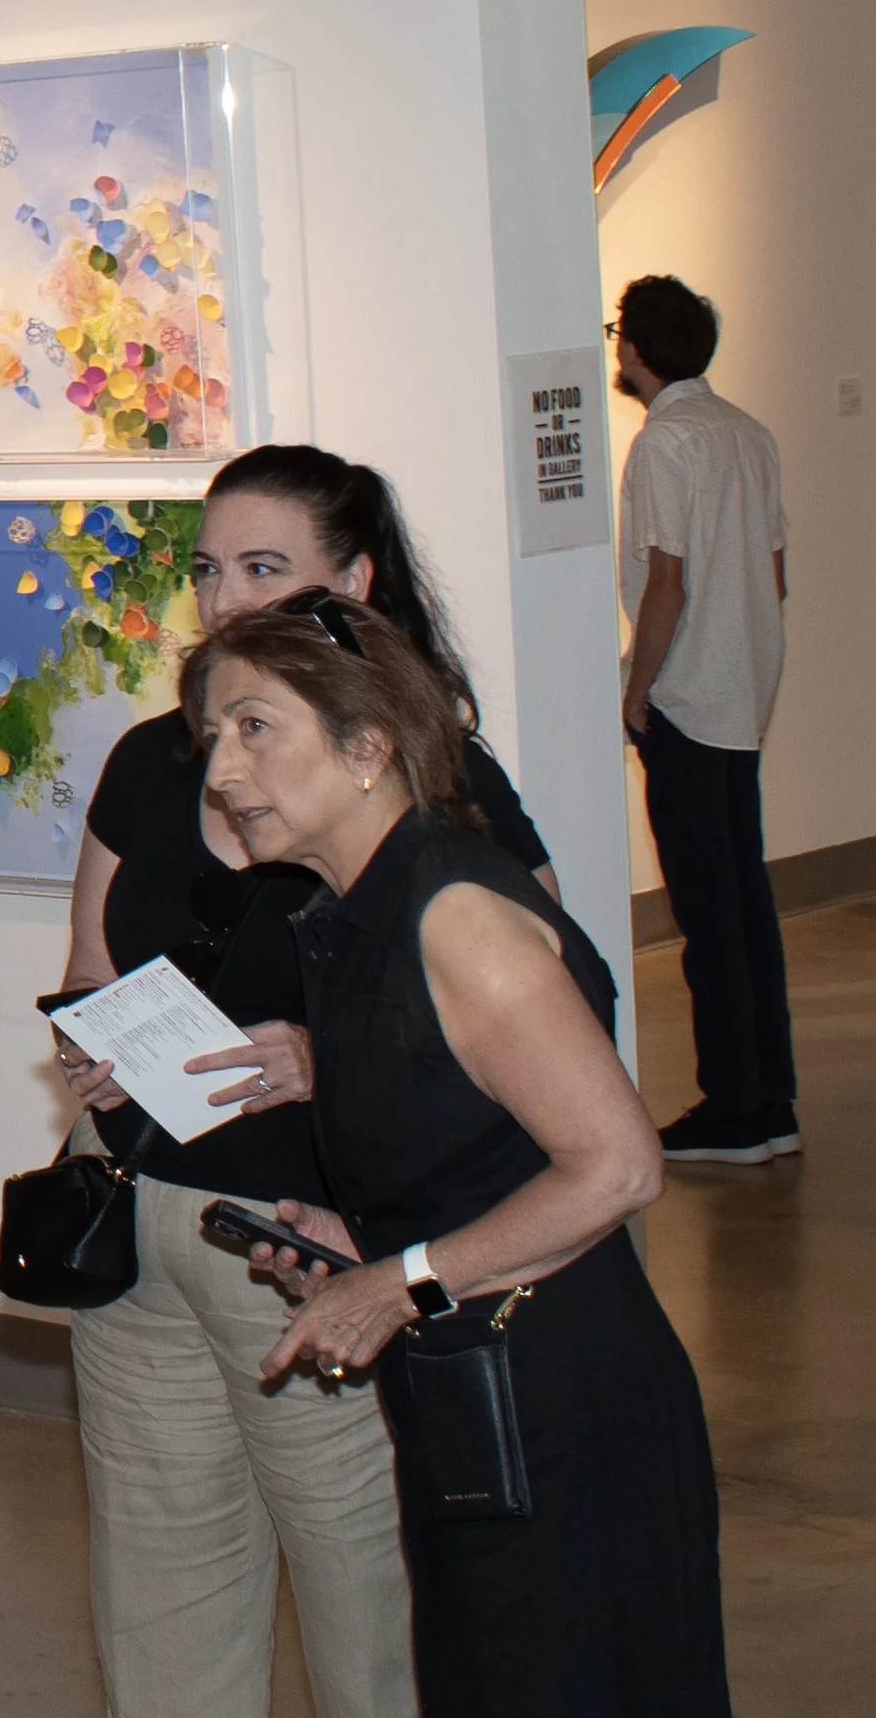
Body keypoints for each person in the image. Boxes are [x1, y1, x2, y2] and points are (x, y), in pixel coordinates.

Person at [52, 445, 556, 1718]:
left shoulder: (427, 778)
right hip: (144, 1229)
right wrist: (90, 1053)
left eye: (266, 567)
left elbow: (548, 1020)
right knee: (161, 1598)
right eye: (211, 569)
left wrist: (327, 1061)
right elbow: (85, 965)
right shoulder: (149, 763)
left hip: (320, 1244)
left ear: (354, 584)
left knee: (369, 1606)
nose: (228, 600)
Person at [202, 597, 726, 1718]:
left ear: (367, 744)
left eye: (253, 726)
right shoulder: (353, 920)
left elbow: (620, 1167)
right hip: (470, 1398)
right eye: (212, 734)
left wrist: (401, 1279)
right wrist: (364, 1249)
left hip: (564, 1410)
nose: (222, 768)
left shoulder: (454, 918)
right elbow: (472, 1157)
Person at [611, 273, 798, 1161]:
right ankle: (772, 1099)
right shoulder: (747, 434)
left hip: (687, 698)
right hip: (744, 691)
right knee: (745, 899)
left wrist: (635, 689)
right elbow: (773, 575)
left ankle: (731, 1108)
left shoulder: (664, 446)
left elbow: (665, 585)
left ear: (636, 350)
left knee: (705, 911)